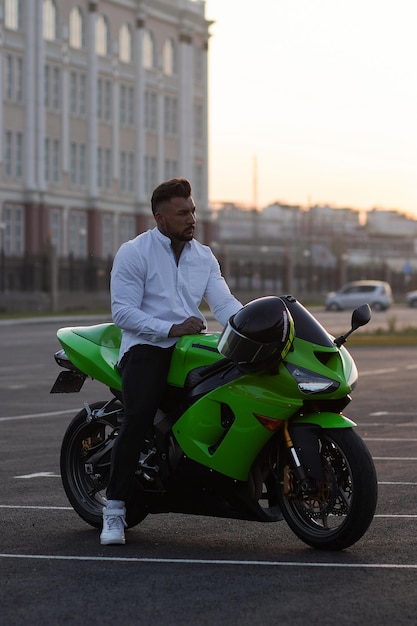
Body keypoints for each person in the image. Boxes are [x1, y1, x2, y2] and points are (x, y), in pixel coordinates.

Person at [100, 177, 242, 545]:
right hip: (146, 345)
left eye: (193, 211)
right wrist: (171, 328)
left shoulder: (204, 256)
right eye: (182, 213)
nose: (191, 218)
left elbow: (223, 304)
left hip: (191, 345)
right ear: (160, 218)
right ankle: (114, 509)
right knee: (138, 416)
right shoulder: (135, 252)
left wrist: (250, 327)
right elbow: (123, 312)